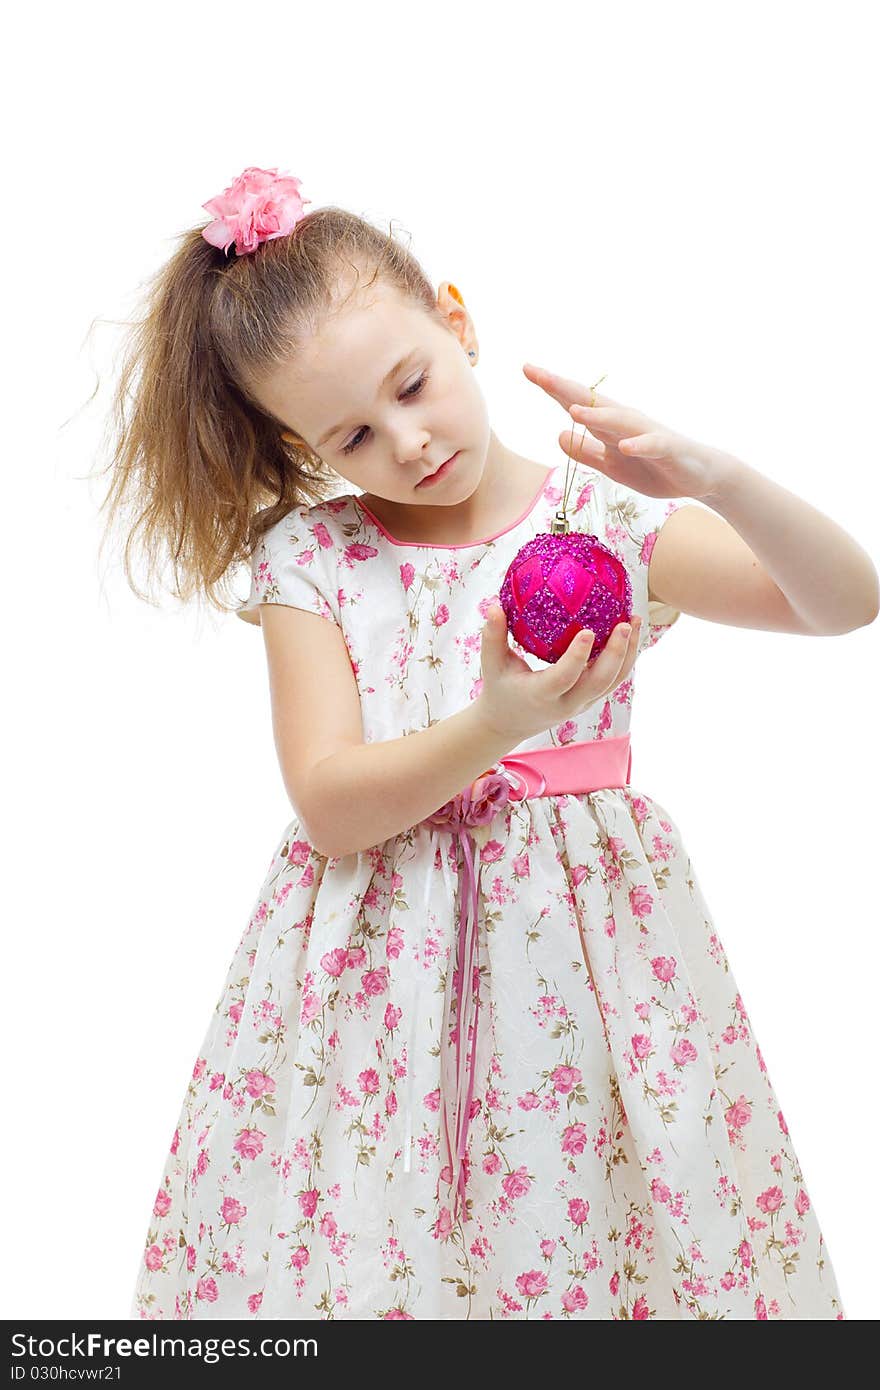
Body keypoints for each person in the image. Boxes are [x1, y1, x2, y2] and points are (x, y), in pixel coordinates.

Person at [111, 165, 873, 1321]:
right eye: (353, 434)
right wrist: (495, 726)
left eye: (413, 385)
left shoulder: (604, 523)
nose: (408, 442)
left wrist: (707, 477)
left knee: (598, 1227)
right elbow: (330, 804)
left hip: (589, 968)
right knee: (380, 1243)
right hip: (377, 979)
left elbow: (839, 600)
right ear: (306, 447)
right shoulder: (314, 563)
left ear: (455, 321)